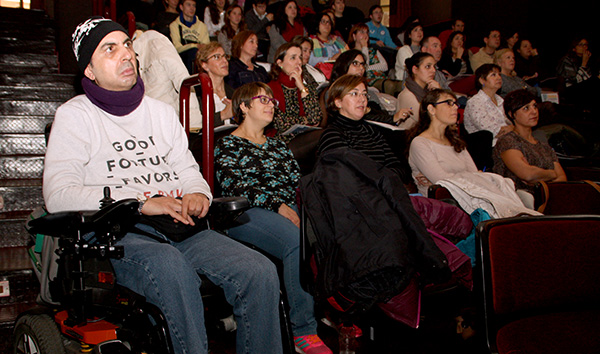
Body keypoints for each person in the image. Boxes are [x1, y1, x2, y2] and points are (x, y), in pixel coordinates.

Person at [46, 17, 283, 354]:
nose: (126, 54)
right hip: (120, 235)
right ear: (90, 71)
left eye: (127, 44)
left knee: (259, 271)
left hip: (178, 227)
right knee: (172, 269)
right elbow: (58, 196)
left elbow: (187, 170)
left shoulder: (160, 112)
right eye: (109, 49)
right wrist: (141, 201)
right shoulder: (75, 116)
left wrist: (198, 194)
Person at [214, 82, 334, 354]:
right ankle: (303, 331)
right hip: (245, 213)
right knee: (296, 240)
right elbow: (235, 187)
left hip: (288, 207)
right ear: (244, 107)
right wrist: (278, 206)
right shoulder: (229, 145)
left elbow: (297, 183)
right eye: (263, 100)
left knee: (330, 228)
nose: (271, 105)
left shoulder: (278, 146)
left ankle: (332, 309)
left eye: (272, 101)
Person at [318, 74, 414, 187]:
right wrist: (383, 178)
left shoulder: (371, 131)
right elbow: (345, 178)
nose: (362, 99)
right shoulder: (332, 135)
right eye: (354, 94)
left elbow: (400, 168)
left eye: (364, 94)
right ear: (338, 102)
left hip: (383, 193)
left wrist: (383, 179)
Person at [493, 89, 566, 207]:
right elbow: (528, 175)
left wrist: (539, 180)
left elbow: (562, 178)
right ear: (512, 114)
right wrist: (552, 174)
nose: (534, 112)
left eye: (535, 106)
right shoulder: (507, 141)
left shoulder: (543, 145)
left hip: (550, 199)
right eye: (526, 108)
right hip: (519, 203)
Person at [407, 89, 476, 196]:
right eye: (449, 103)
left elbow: (475, 175)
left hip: (468, 196)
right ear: (431, 109)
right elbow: (442, 181)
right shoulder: (420, 143)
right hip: (440, 205)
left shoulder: (455, 141)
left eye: (455, 103)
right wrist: (466, 177)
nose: (456, 107)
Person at [132, 29, 203, 133]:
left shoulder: (155, 42)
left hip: (171, 120)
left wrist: (192, 121)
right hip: (151, 122)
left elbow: (181, 76)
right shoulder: (133, 54)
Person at [268, 42, 322, 142]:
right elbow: (280, 123)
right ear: (280, 63)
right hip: (280, 139)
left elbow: (315, 119)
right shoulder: (269, 89)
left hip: (304, 137)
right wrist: (305, 120)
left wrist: (301, 86)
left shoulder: (306, 88)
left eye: (300, 57)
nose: (299, 62)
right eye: (293, 58)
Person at [463, 63, 512, 146]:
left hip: (507, 140)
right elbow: (490, 131)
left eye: (499, 75)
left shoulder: (500, 100)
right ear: (482, 80)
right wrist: (513, 128)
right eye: (493, 75)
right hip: (487, 146)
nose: (499, 78)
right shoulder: (475, 102)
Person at [347, 23, 403, 96]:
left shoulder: (373, 50)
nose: (365, 35)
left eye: (367, 32)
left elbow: (385, 66)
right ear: (354, 36)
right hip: (368, 80)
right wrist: (364, 48)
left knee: (403, 84)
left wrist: (369, 67)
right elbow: (364, 67)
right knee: (390, 85)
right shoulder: (351, 53)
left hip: (382, 77)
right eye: (362, 32)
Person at [396, 52, 441, 130]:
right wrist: (439, 94)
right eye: (428, 67)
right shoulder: (406, 96)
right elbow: (430, 120)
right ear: (415, 69)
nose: (433, 71)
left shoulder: (429, 91)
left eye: (434, 67)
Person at [556, 37, 597, 110]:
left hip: (584, 90)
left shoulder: (588, 59)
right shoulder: (567, 60)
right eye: (581, 45)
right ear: (574, 48)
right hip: (570, 91)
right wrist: (584, 64)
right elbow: (575, 81)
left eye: (586, 45)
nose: (584, 47)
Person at [169, 0, 210, 73]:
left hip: (199, 56)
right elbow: (177, 48)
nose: (192, 8)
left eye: (194, 6)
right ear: (181, 7)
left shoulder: (202, 26)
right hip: (182, 57)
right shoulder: (174, 25)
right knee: (192, 52)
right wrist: (195, 45)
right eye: (188, 5)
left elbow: (206, 47)